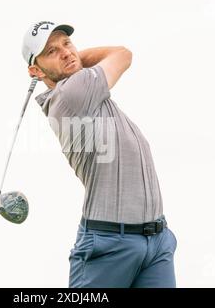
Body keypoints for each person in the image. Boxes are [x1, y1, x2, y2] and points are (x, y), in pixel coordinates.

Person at [21, 21, 177, 288]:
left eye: (67, 44)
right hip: (108, 245)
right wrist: (75, 59)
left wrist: (68, 58)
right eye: (51, 52)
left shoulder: (89, 90)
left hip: (157, 239)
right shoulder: (72, 92)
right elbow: (122, 54)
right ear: (35, 71)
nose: (66, 52)